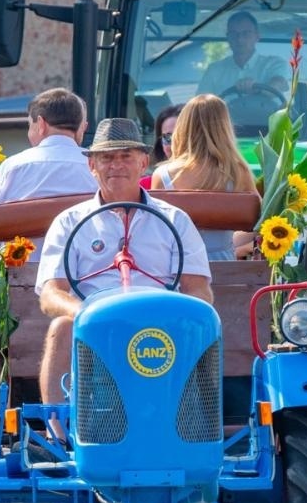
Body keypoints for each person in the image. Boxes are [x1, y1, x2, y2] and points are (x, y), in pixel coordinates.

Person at [36, 118, 212, 405]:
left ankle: (188, 421)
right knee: (62, 328)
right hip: (95, 327)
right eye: (106, 158)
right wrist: (86, 313)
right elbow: (50, 294)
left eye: (125, 156)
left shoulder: (175, 220)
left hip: (159, 322)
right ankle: (59, 433)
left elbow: (199, 290)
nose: (116, 165)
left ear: (143, 163)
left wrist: (173, 316)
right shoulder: (69, 223)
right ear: (92, 166)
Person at [150, 94, 259, 261]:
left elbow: (156, 232)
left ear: (183, 127)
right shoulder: (237, 172)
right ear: (224, 128)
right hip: (226, 268)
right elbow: (259, 222)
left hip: (178, 269)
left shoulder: (163, 175)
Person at [0, 88, 97, 204]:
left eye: (29, 125)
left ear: (41, 124)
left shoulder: (11, 168)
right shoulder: (99, 168)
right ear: (81, 127)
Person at [197, 11, 289, 113]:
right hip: (225, 127)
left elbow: (277, 86)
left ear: (257, 36)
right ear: (228, 37)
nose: (240, 39)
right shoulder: (214, 70)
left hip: (270, 127)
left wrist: (258, 88)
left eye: (246, 33)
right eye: (234, 34)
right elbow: (200, 106)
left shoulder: (275, 64)